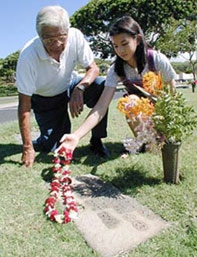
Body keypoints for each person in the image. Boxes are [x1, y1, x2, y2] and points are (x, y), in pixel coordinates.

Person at [57, 16, 176, 154]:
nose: (120, 50)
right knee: (131, 101)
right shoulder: (116, 70)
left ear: (137, 40)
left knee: (163, 146)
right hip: (140, 116)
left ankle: (155, 139)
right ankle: (147, 141)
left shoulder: (156, 60)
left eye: (124, 43)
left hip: (161, 113)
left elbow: (172, 97)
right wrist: (76, 136)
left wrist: (167, 128)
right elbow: (100, 107)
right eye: (116, 45)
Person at [16, 5, 109, 168]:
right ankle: (44, 139)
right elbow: (24, 105)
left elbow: (93, 68)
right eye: (49, 39)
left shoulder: (76, 37)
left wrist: (80, 88)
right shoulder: (28, 57)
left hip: (71, 84)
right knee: (52, 147)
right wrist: (27, 147)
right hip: (46, 98)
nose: (57, 44)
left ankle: (96, 140)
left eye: (62, 37)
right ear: (39, 36)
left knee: (101, 85)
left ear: (68, 31)